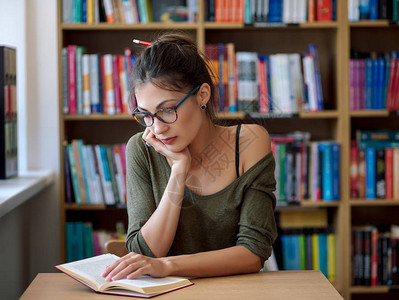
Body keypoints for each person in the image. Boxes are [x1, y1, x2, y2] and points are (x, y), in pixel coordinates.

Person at [102, 32, 277, 282]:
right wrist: (178, 172)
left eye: (167, 110)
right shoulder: (141, 149)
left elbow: (253, 253)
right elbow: (143, 253)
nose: (158, 128)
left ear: (202, 95)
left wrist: (167, 266)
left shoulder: (248, 142)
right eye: (146, 115)